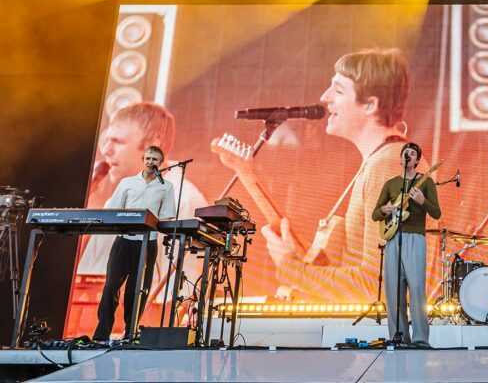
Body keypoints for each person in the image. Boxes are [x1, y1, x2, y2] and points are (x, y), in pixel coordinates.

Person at [213, 48, 413, 302]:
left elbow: (381, 286)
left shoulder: (390, 167)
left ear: (371, 105)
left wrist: (290, 266)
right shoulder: (381, 162)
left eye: (338, 90)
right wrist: (247, 175)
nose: (324, 97)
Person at [69, 102, 207, 338]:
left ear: (153, 142)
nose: (106, 151)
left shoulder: (184, 199)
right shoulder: (124, 189)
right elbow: (86, 279)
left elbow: (182, 298)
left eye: (117, 141)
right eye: (106, 140)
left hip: (135, 340)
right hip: (87, 334)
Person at [93, 146, 177, 341]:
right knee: (111, 287)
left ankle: (130, 333)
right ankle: (101, 334)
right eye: (147, 158)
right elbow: (114, 208)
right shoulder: (127, 183)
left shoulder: (166, 187)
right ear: (143, 160)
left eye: (154, 159)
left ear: (160, 163)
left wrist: (149, 219)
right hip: (124, 241)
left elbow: (166, 216)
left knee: (138, 291)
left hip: (148, 244)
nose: (150, 162)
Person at [372, 142, 441, 348]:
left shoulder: (426, 182)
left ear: (417, 160)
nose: (408, 156)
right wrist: (384, 210)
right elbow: (375, 214)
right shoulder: (391, 184)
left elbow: (436, 213)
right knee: (394, 291)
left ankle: (420, 339)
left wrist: (422, 201)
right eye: (405, 153)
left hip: (414, 237)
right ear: (400, 158)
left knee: (417, 289)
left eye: (412, 153)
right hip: (393, 238)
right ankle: (399, 337)